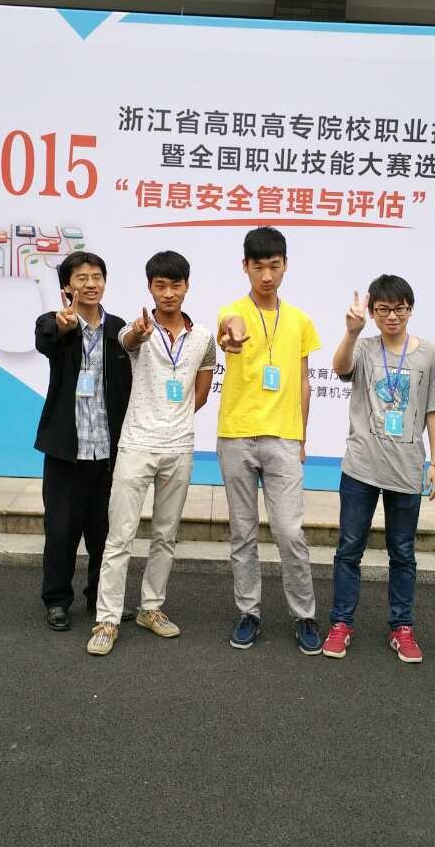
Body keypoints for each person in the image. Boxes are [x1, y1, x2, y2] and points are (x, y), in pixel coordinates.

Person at [87, 251, 217, 656]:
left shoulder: (203, 337)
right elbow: (128, 341)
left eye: (175, 285)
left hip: (179, 447)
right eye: (160, 285)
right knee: (119, 536)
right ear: (150, 288)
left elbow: (201, 390)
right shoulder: (137, 330)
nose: (168, 293)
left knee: (166, 535)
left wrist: (175, 418)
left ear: (187, 286)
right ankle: (107, 619)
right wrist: (139, 334)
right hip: (136, 445)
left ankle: (151, 608)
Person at [323, 275, 435, 664]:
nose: (392, 316)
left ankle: (402, 627)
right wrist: (351, 331)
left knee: (403, 553)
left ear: (410, 309)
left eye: (399, 308)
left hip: (406, 468)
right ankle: (341, 623)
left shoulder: (428, 354)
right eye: (383, 309)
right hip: (361, 467)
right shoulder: (363, 348)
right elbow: (340, 367)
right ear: (373, 312)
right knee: (349, 550)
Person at [215, 227, 323, 655]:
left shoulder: (299, 320)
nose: (266, 275)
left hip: (283, 438)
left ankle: (304, 614)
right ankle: (249, 612)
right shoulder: (232, 311)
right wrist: (232, 338)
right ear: (245, 266)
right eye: (258, 266)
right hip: (237, 436)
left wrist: (302, 437)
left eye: (274, 266)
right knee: (242, 532)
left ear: (285, 266)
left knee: (289, 531)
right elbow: (232, 329)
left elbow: (304, 381)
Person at [33, 251, 132, 632]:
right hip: (66, 450)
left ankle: (101, 597)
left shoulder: (118, 329)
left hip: (109, 451)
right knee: (60, 531)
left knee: (105, 533)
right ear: (66, 287)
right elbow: (46, 339)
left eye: (96, 277)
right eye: (81, 278)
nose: (91, 284)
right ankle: (57, 601)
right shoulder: (55, 322)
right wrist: (63, 326)